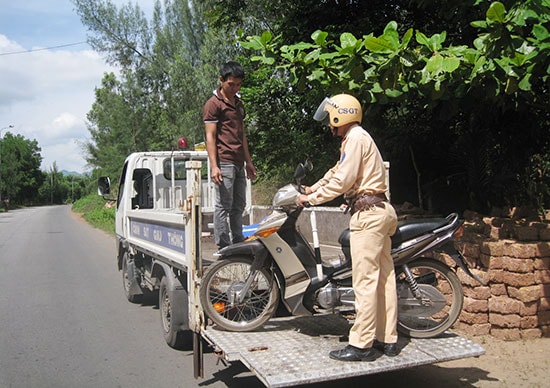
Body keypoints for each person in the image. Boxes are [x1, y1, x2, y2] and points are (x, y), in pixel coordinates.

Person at [296, 94, 399, 362]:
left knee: (364, 282)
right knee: (383, 280)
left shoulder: (355, 138)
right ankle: (387, 339)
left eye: (331, 117)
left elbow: (342, 180)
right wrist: (312, 187)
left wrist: (311, 199)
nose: (329, 124)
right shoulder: (357, 138)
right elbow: (335, 171)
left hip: (368, 216)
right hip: (380, 211)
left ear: (341, 115)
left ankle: (361, 345)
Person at [203, 61, 257, 249]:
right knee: (223, 205)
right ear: (221, 80)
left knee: (239, 205)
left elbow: (242, 135)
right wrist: (214, 165)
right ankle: (223, 246)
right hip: (224, 161)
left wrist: (248, 162)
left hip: (238, 161)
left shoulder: (239, 104)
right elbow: (210, 136)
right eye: (231, 84)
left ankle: (238, 240)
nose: (234, 88)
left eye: (238, 84)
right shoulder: (213, 104)